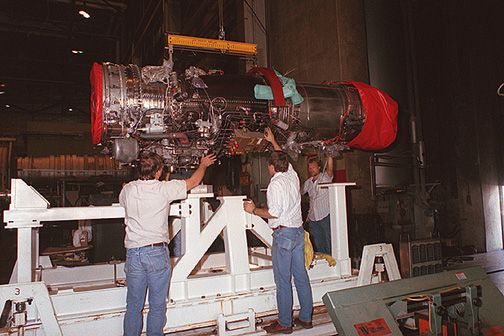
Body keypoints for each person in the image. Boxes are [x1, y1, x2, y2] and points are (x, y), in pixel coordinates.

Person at [120, 151, 216, 336]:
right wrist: (203, 164)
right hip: (155, 253)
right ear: (158, 172)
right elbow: (193, 182)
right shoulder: (164, 189)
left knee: (133, 305)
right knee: (156, 305)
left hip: (133, 254)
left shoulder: (128, 189)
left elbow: (124, 199)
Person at [243, 128, 313, 334]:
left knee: (283, 281)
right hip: (298, 233)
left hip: (283, 236)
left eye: (269, 166)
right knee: (300, 277)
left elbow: (273, 213)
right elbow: (283, 158)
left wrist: (253, 209)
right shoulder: (292, 176)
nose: (268, 169)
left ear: (272, 167)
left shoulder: (275, 185)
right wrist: (273, 140)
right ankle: (306, 318)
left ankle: (285, 322)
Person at [302, 155, 333, 255]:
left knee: (329, 243)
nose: (311, 169)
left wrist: (329, 155)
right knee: (318, 245)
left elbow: (330, 169)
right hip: (313, 219)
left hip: (325, 216)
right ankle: (323, 266)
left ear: (319, 167)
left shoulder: (325, 177)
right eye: (309, 168)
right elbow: (299, 192)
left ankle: (332, 265)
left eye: (313, 167)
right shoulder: (308, 182)